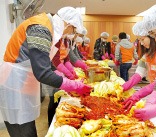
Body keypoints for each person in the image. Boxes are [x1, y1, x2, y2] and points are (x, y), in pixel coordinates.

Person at [0, 7, 92, 137]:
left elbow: (48, 63)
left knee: (28, 126)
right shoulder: (41, 28)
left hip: (24, 80)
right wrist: (73, 85)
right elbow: (43, 73)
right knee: (22, 131)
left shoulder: (48, 28)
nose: (72, 33)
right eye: (74, 30)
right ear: (69, 24)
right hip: (15, 81)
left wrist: (67, 78)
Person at [122, 21, 156, 125]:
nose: (141, 43)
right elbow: (139, 73)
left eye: (142, 39)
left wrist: (139, 94)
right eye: (139, 40)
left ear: (151, 36)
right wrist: (125, 86)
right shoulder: (147, 54)